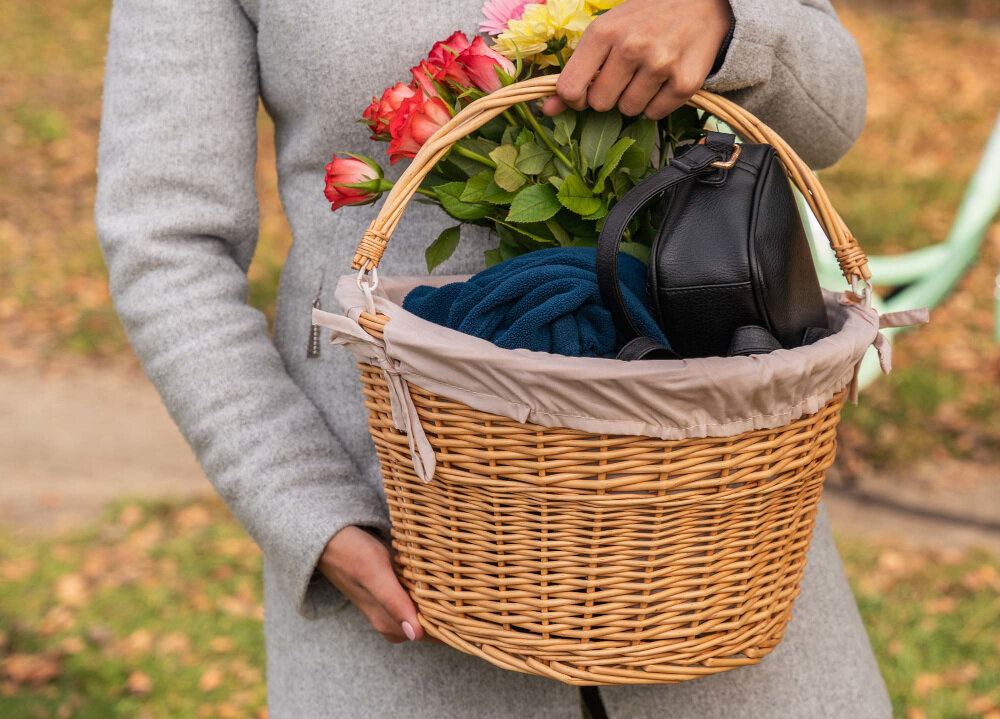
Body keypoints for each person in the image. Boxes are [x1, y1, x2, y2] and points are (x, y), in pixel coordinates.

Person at [95, 0, 890, 716]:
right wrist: (307, 506)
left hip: (710, 533)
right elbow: (166, 242)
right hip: (408, 543)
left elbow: (833, 115)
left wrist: (729, 25)